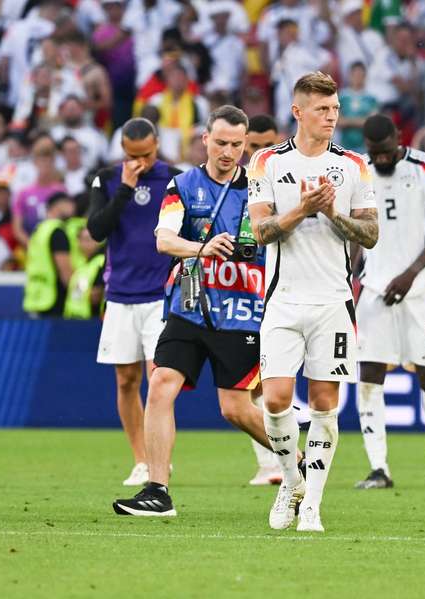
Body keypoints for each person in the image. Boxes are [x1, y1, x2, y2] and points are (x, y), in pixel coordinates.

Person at [113, 105, 276, 517]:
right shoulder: (182, 185)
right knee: (161, 382)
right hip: (189, 306)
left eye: (237, 145)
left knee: (235, 408)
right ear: (205, 139)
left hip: (240, 311)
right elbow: (164, 239)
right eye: (221, 142)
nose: (228, 152)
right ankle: (157, 490)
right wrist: (201, 248)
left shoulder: (261, 189)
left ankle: (304, 462)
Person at [247, 71, 378, 532]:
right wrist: (302, 210)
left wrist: (331, 212)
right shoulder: (264, 162)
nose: (332, 117)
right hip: (282, 301)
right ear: (298, 111)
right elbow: (260, 232)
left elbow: (371, 234)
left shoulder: (354, 166)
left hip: (333, 303)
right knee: (277, 400)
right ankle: (290, 480)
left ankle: (313, 505)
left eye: (336, 109)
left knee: (324, 403)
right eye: (322, 110)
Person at [353, 114, 425, 490]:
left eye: (386, 151)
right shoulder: (358, 169)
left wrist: (411, 272)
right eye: (374, 153)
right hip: (374, 289)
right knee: (369, 377)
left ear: (399, 138)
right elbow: (354, 228)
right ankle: (379, 468)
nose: (380, 160)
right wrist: (350, 274)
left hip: (420, 288)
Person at [88, 118, 182, 486]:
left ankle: (160, 461)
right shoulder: (107, 180)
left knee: (158, 379)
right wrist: (125, 189)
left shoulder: (175, 179)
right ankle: (141, 459)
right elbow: (96, 230)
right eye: (131, 155)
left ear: (156, 145)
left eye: (145, 155)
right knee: (126, 380)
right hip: (120, 295)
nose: (139, 162)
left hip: (160, 296)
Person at [243, 112, 284, 487]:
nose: (257, 153)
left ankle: (278, 461)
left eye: (264, 145)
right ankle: (273, 460)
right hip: (239, 297)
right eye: (251, 146)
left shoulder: (288, 182)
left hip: (279, 293)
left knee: (270, 379)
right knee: (249, 384)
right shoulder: (234, 186)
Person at [22, 192, 78, 317]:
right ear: (58, 206)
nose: (73, 207)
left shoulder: (39, 230)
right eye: (69, 203)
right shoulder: (57, 231)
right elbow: (65, 272)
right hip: (55, 298)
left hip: (36, 296)